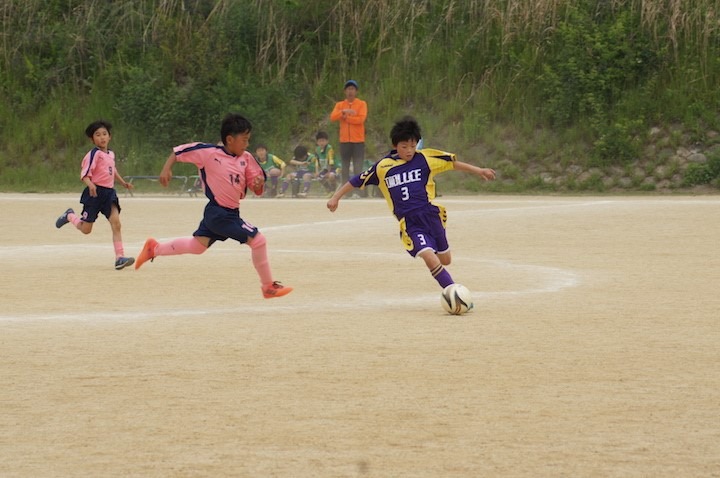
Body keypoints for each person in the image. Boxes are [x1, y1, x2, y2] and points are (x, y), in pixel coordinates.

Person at [134, 113, 292, 299]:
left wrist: (258, 184)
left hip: (229, 212)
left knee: (197, 246)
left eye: (248, 139)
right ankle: (268, 287)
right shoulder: (208, 153)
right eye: (244, 139)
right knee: (258, 241)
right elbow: (178, 152)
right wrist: (166, 168)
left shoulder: (247, 158)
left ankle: (154, 248)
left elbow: (256, 188)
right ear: (230, 139)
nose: (247, 144)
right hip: (219, 213)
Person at [327, 116, 496, 290]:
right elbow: (356, 180)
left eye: (413, 146)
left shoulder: (425, 158)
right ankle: (453, 291)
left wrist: (479, 170)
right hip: (409, 222)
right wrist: (335, 197)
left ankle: (434, 252)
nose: (409, 151)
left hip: (431, 216)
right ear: (395, 145)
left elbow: (452, 164)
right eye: (404, 146)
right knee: (428, 256)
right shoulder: (383, 167)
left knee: (445, 260)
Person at [55, 120, 135, 270]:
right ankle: (69, 215)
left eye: (104, 134)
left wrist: (123, 183)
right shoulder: (94, 154)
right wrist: (91, 184)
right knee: (86, 229)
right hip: (95, 194)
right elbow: (85, 174)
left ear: (110, 136)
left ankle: (119, 257)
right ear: (92, 139)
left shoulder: (111, 154)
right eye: (97, 135)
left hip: (109, 194)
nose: (102, 137)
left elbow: (113, 170)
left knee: (116, 223)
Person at [330, 79, 368, 196]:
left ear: (356, 91)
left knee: (358, 167)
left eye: (352, 89)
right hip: (345, 141)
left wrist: (347, 118)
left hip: (358, 141)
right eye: (348, 89)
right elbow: (333, 117)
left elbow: (360, 119)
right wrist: (343, 112)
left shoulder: (361, 104)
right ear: (345, 91)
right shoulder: (340, 105)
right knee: (345, 168)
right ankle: (346, 193)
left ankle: (359, 192)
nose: (350, 91)